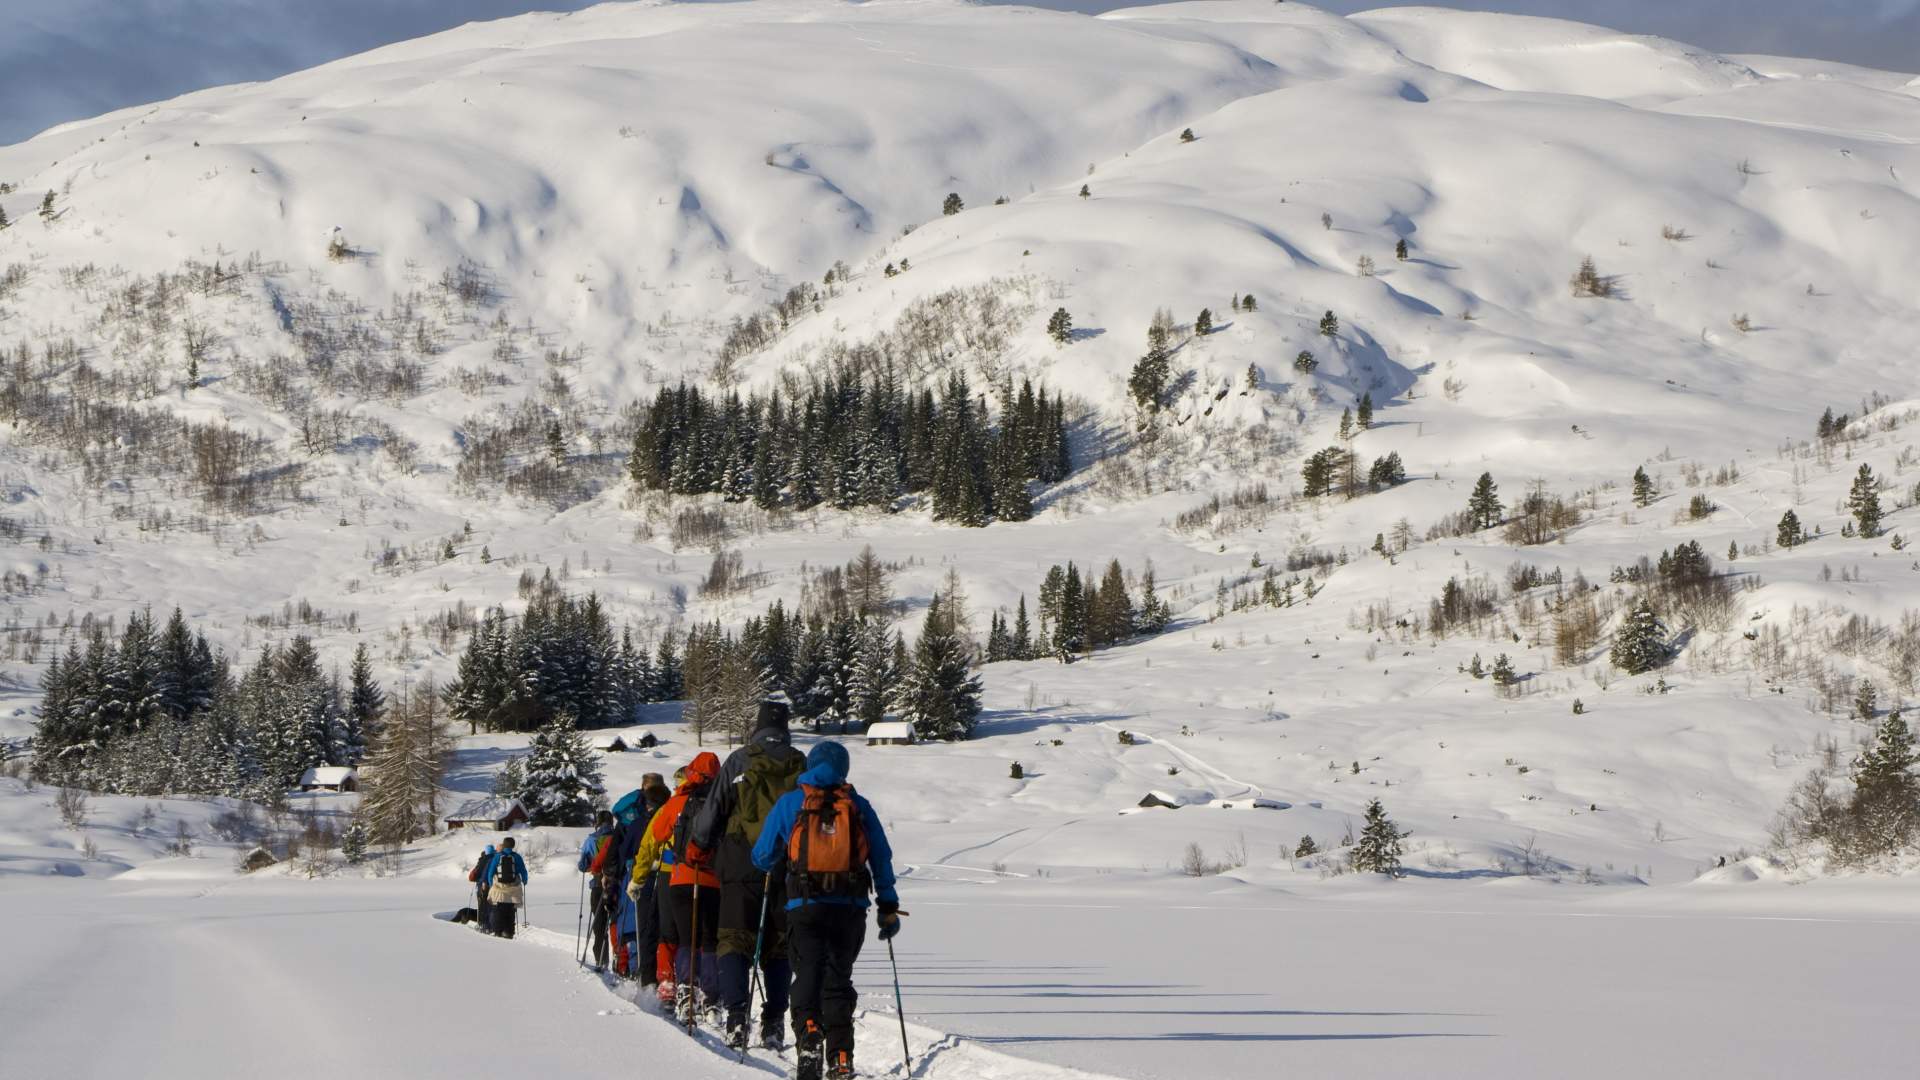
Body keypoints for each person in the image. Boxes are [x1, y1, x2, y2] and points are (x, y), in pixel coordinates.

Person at [752, 741, 900, 1080]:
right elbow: (881, 857)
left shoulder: (792, 802)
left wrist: (779, 861)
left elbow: (761, 855)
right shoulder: (858, 805)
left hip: (805, 905)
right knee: (837, 979)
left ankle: (808, 1030)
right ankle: (841, 1057)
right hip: (850, 908)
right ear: (844, 769)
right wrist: (888, 905)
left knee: (807, 974)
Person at [687, 697, 805, 1051]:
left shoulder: (740, 759)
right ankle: (774, 1023)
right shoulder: (800, 762)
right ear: (785, 727)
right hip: (787, 865)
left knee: (733, 940)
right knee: (779, 945)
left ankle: (737, 1018)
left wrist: (700, 844)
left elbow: (712, 812)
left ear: (758, 726)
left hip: (740, 862)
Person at [631, 753, 722, 1024]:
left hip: (678, 877)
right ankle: (711, 996)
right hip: (713, 879)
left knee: (681, 937)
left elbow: (652, 840)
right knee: (709, 939)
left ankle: (681, 988)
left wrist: (638, 878)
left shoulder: (676, 803)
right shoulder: (724, 801)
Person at [578, 810, 617, 970]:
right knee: (617, 922)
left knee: (599, 924)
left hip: (598, 885)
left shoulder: (591, 839)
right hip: (618, 885)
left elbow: (582, 865)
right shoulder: (620, 836)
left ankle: (601, 960)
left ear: (598, 822)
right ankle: (621, 964)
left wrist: (591, 866)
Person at [485, 836, 529, 939]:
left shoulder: (497, 856)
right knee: (510, 911)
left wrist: (491, 885)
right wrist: (524, 881)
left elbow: (490, 873)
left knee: (498, 911)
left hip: (499, 890)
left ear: (504, 845)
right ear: (513, 845)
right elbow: (523, 871)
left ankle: (498, 932)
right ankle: (509, 932)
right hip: (513, 891)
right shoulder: (517, 857)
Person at [467, 844, 497, 935]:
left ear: (486, 851)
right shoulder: (496, 858)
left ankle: (483, 925)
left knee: (482, 906)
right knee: (491, 906)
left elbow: (476, 874)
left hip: (482, 885)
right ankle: (491, 926)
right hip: (494, 886)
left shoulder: (483, 860)